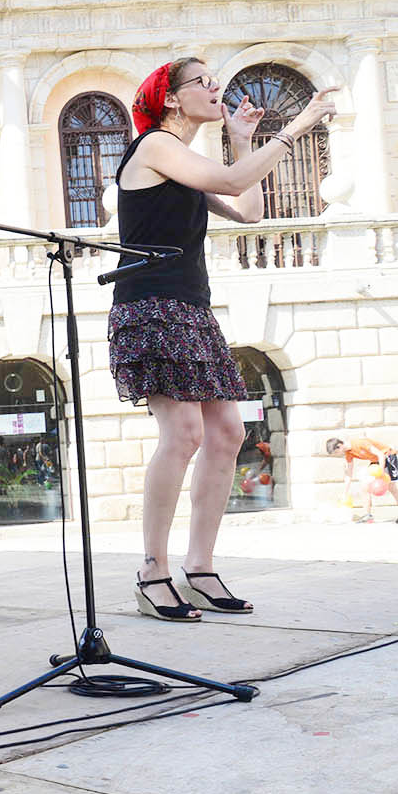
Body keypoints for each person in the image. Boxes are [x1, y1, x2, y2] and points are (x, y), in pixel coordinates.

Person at [110, 57, 335, 621]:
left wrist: (242, 140)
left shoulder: (185, 162)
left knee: (228, 432)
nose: (217, 89)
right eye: (204, 82)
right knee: (184, 432)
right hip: (151, 307)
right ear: (170, 98)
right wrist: (297, 125)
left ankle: (200, 567)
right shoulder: (155, 146)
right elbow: (234, 183)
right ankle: (152, 571)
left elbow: (247, 210)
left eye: (217, 81)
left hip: (192, 307)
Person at [326, 436, 398, 523]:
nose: (338, 454)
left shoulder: (360, 443)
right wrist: (345, 492)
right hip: (375, 460)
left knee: (392, 487)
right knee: (365, 486)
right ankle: (368, 515)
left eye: (336, 452)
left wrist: (381, 473)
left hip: (387, 456)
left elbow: (380, 455)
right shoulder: (349, 454)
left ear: (339, 446)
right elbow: (349, 473)